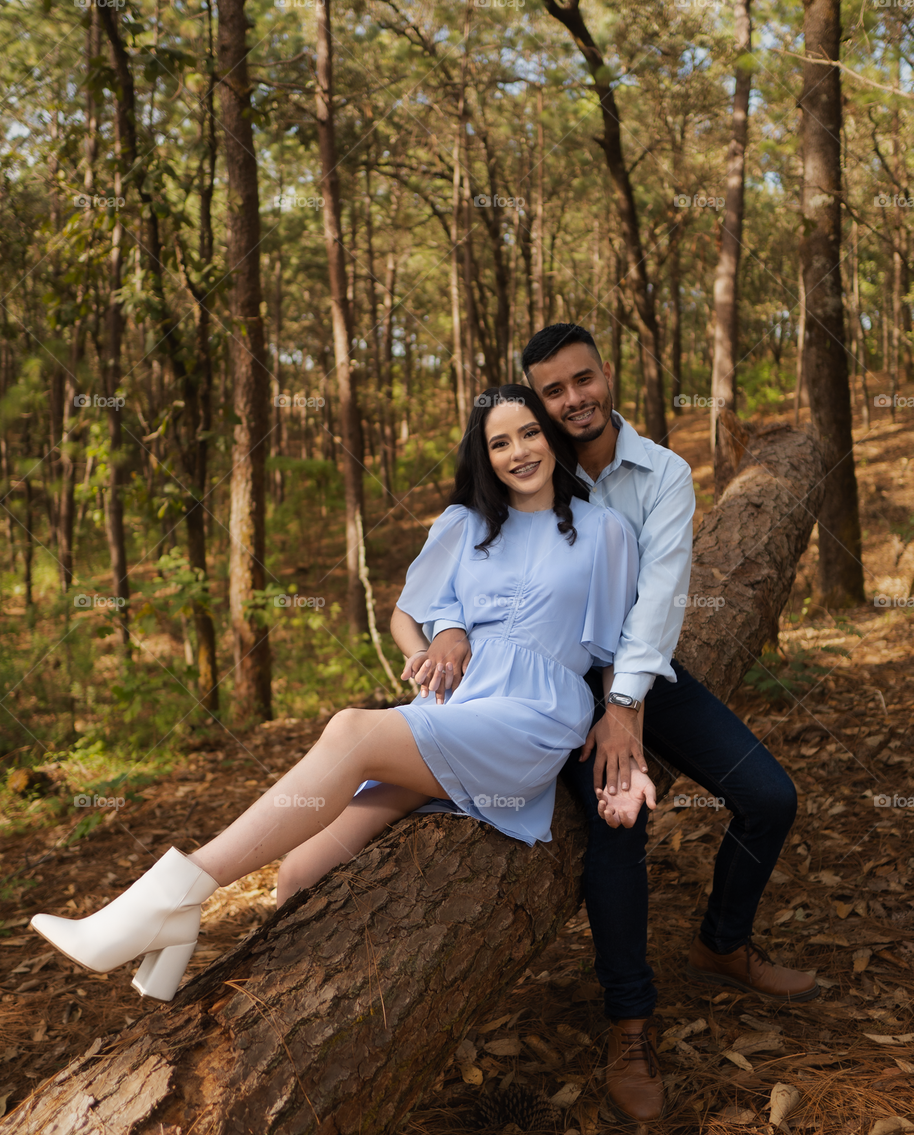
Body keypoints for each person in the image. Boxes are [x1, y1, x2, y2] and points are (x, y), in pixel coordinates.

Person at [30, 383, 644, 1003]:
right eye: (499, 442)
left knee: (352, 729)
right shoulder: (465, 525)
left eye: (530, 433)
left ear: (552, 436)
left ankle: (171, 900)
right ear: (483, 457)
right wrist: (439, 639)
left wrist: (624, 724)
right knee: (297, 875)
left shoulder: (604, 531)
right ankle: (181, 976)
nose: (519, 452)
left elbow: (622, 649)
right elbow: (409, 616)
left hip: (529, 722)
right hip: (455, 709)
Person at [425, 325, 818, 1126]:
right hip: (546, 685)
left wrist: (625, 708)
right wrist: (448, 631)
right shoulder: (525, 464)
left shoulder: (662, 474)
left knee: (771, 798)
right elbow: (457, 560)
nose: (573, 400)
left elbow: (661, 597)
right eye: (554, 391)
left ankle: (723, 940)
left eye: (583, 380)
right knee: (619, 826)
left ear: (607, 376)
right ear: (537, 403)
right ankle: (629, 1024)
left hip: (639, 672)